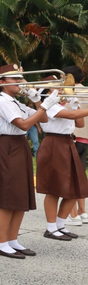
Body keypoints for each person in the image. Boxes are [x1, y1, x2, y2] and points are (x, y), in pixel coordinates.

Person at [0, 64, 45, 259]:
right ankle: (2, 243)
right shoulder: (3, 102)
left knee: (20, 197)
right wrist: (41, 108)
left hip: (20, 146)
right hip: (9, 146)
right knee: (8, 198)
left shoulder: (16, 102)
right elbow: (24, 124)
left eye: (19, 78)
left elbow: (46, 119)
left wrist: (38, 102)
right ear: (2, 82)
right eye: (14, 79)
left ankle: (13, 240)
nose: (19, 82)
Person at [35, 80, 88, 241]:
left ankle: (60, 225)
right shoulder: (48, 104)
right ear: (49, 91)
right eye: (58, 87)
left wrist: (76, 105)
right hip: (54, 144)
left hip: (67, 143)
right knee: (54, 188)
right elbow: (71, 116)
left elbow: (79, 121)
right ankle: (51, 228)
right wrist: (74, 110)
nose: (64, 89)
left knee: (75, 187)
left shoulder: (63, 105)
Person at [63, 67, 88, 227]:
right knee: (80, 177)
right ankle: (82, 211)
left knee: (69, 177)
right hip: (85, 139)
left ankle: (72, 215)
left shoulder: (67, 91)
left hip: (72, 138)